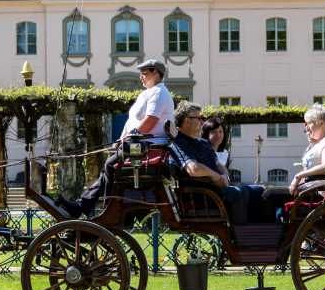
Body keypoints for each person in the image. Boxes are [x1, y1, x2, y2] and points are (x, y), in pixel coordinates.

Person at [58, 59, 175, 217]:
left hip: (147, 146)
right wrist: (121, 140)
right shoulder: (149, 93)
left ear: (155, 72)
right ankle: (84, 206)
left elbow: (150, 121)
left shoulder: (159, 92)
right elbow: (134, 122)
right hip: (138, 144)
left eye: (144, 73)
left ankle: (103, 209)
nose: (141, 77)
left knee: (110, 165)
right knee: (109, 165)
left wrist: (127, 138)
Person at [169, 102, 248, 223]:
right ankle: (240, 237)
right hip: (202, 197)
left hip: (214, 192)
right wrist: (216, 177)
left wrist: (225, 176)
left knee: (258, 192)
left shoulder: (203, 143)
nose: (202, 121)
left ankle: (261, 235)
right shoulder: (179, 143)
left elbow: (218, 165)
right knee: (239, 193)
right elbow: (193, 169)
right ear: (186, 120)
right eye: (199, 118)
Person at [289, 103, 325, 195]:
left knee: (270, 196)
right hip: (314, 190)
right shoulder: (322, 142)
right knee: (269, 194)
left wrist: (298, 176)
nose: (306, 127)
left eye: (308, 123)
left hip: (321, 193)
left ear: (321, 123)